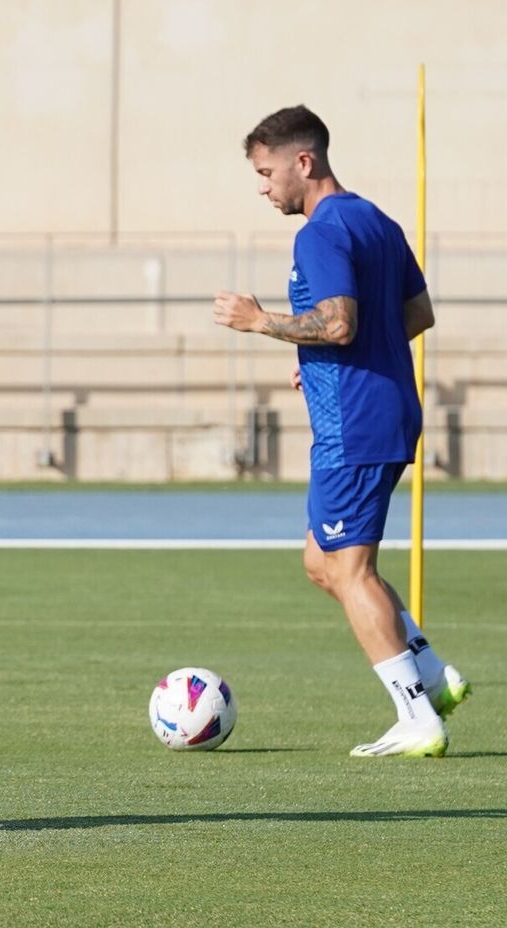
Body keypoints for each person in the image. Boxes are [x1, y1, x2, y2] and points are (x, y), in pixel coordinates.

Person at [213, 105, 470, 757]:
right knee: (321, 563)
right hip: (382, 408)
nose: (263, 187)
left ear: (304, 162)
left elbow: (336, 323)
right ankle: (432, 675)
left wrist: (259, 320)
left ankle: (417, 716)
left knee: (351, 570)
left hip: (354, 425)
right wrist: (326, 360)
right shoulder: (376, 220)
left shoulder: (320, 233)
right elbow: (417, 313)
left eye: (266, 172)